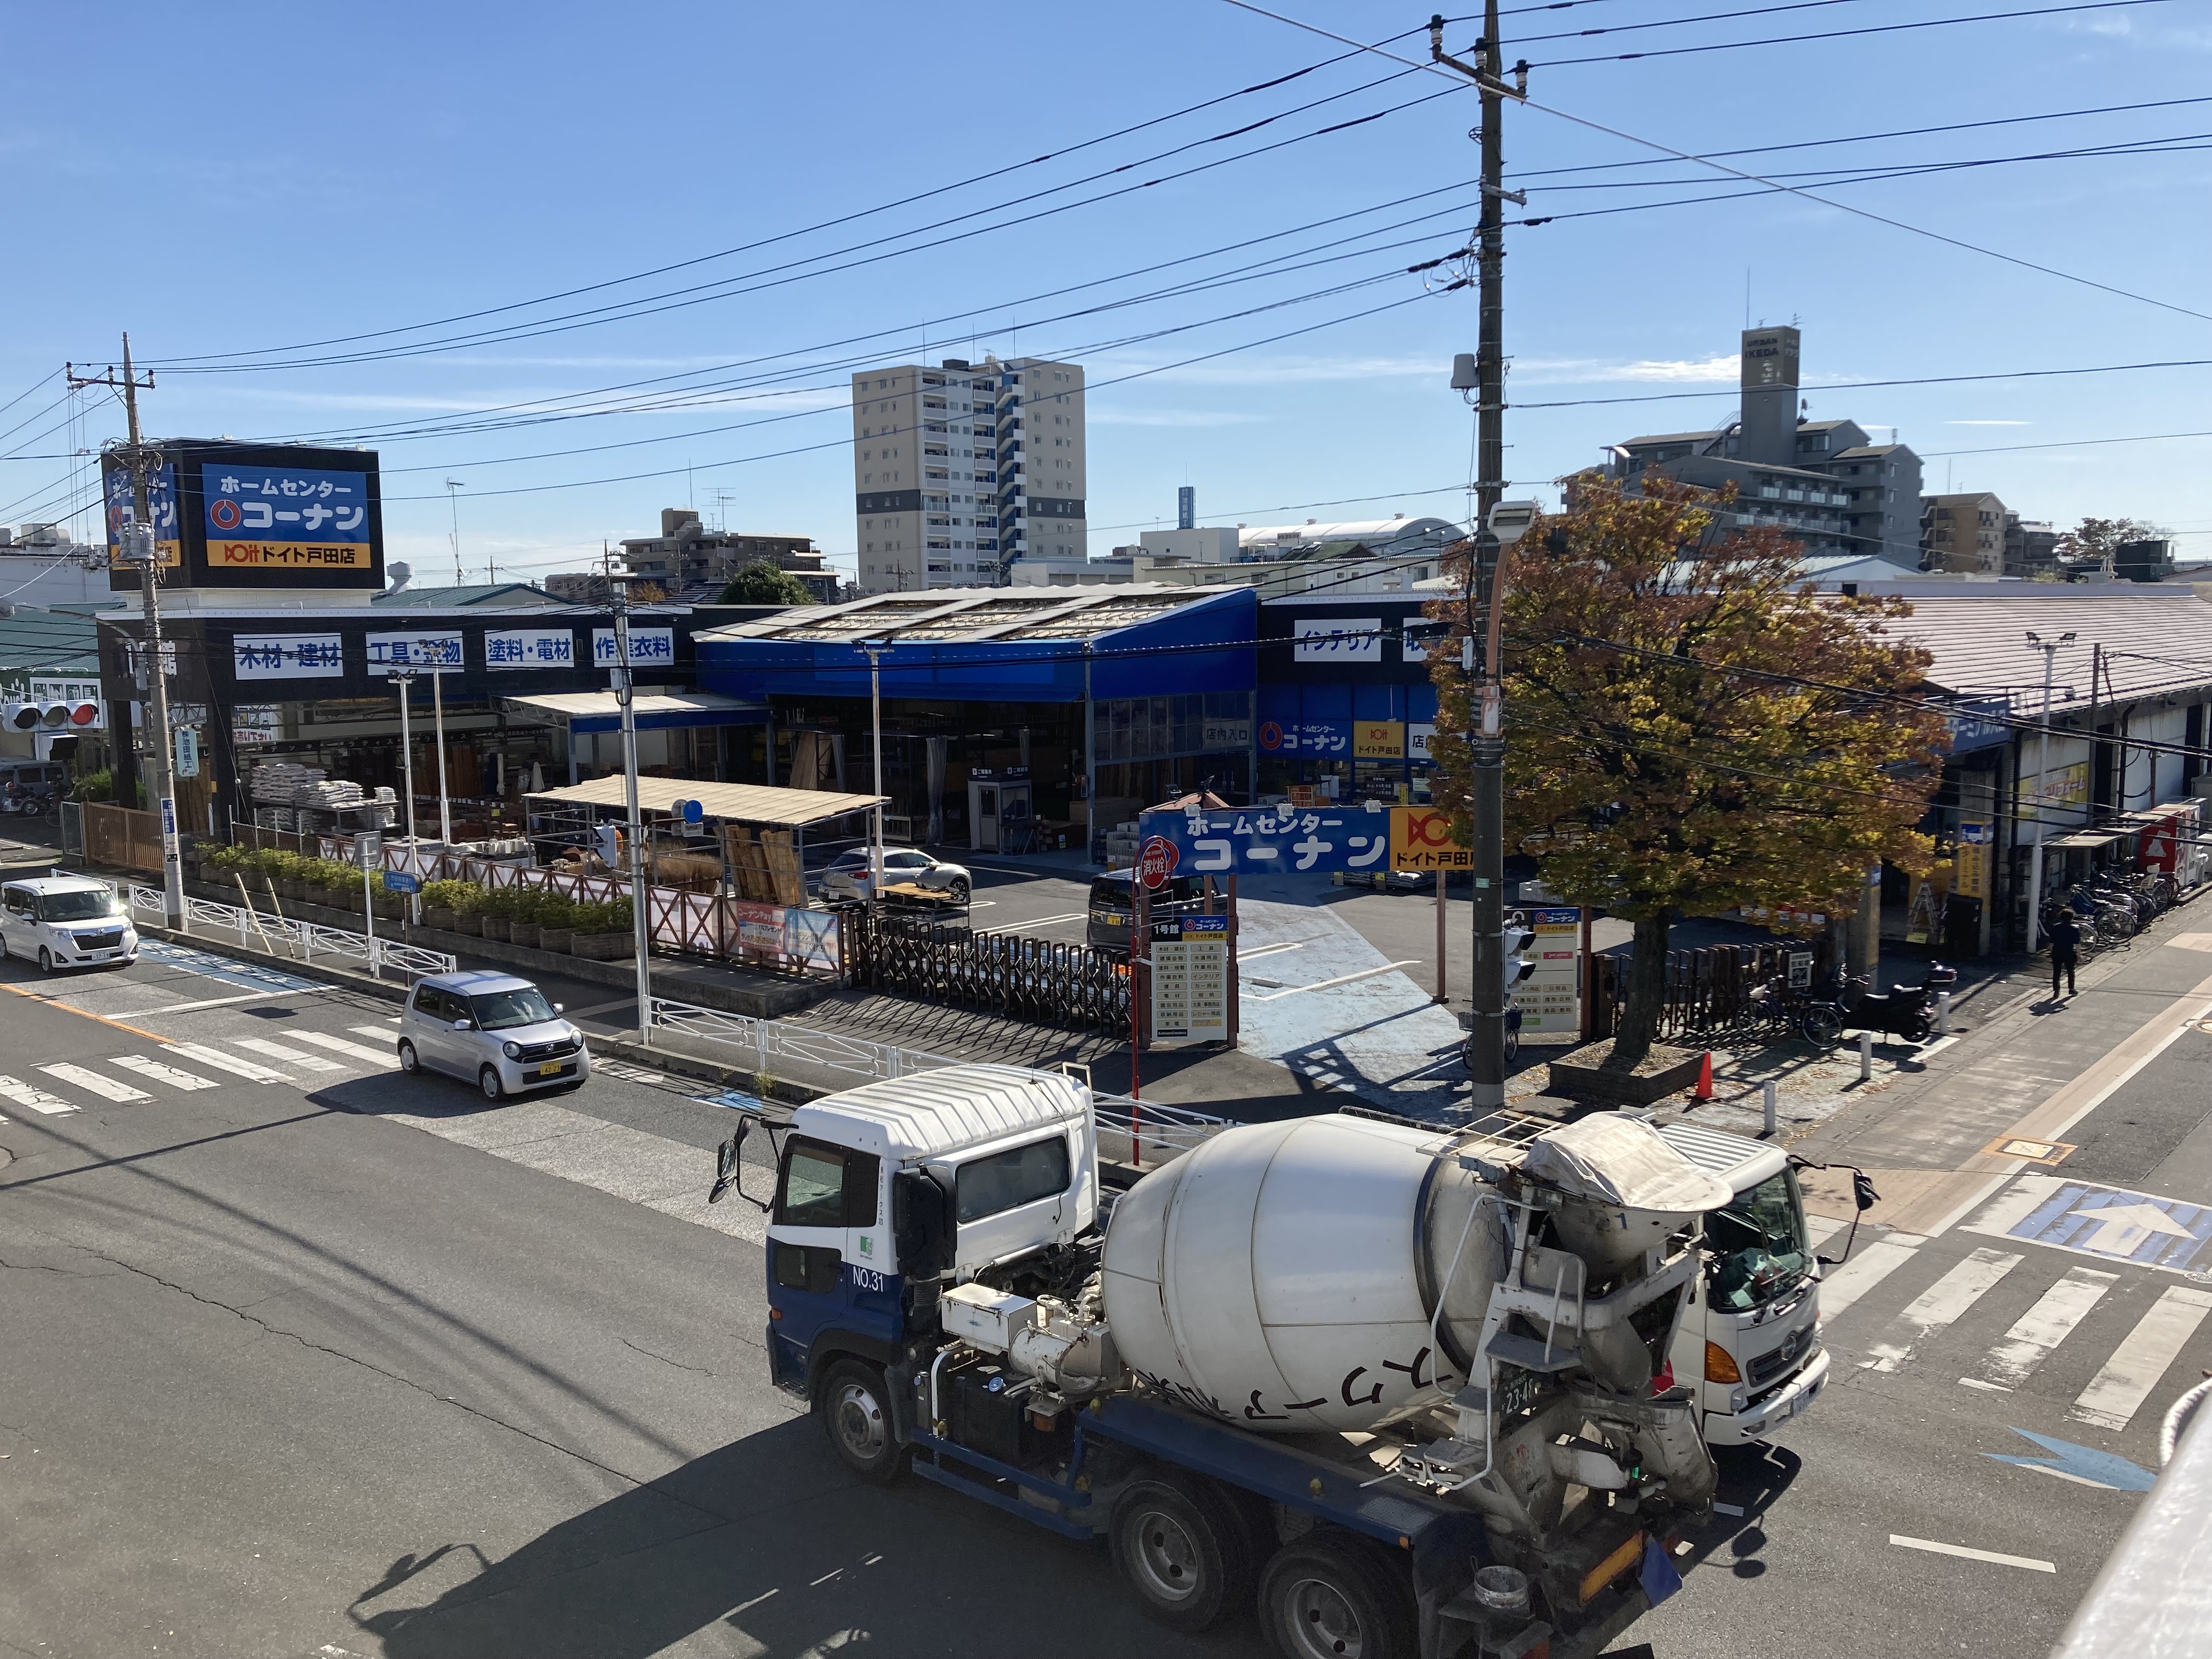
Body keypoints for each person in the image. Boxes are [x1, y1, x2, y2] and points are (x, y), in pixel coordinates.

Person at [2046, 910, 2082, 998]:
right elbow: (2077, 944)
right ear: (2071, 918)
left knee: (2057, 971)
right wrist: (2079, 955)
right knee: (2070, 971)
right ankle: (2071, 989)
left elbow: (2051, 943)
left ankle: (2056, 990)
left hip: (2057, 952)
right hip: (2069, 952)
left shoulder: (2055, 928)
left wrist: (2051, 952)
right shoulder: (2074, 929)